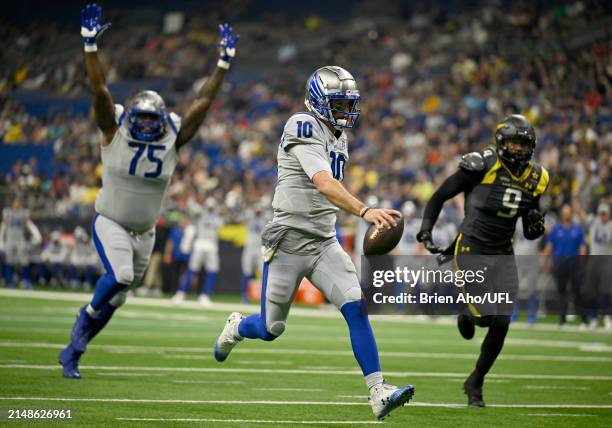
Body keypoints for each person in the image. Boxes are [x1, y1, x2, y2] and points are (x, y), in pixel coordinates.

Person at [213, 66, 414, 420]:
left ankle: (378, 391)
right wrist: (365, 210)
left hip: (324, 242)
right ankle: (236, 327)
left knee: (356, 305)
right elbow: (322, 182)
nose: (345, 112)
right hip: (288, 240)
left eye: (348, 104)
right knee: (271, 328)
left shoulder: (340, 137)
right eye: (338, 104)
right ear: (318, 102)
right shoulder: (301, 125)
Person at [59, 3, 240, 379]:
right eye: (138, 118)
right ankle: (85, 317)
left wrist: (222, 64)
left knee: (121, 295)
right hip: (110, 220)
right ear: (128, 118)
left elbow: (202, 104)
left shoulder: (173, 137)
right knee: (120, 277)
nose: (143, 125)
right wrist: (90, 46)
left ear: (159, 121)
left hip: (145, 232)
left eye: (149, 119)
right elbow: (99, 91)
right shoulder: (113, 130)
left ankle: (74, 351)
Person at [416, 114, 549, 407]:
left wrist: (537, 225)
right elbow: (440, 195)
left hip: (503, 251)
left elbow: (529, 229)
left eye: (522, 144)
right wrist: (426, 228)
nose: (517, 149)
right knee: (485, 317)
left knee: (501, 322)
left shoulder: (538, 178)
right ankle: (466, 312)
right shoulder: (482, 165)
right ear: (501, 142)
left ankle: (476, 380)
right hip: (471, 248)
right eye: (513, 143)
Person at [172, 197, 223, 306]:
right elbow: (192, 208)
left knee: (212, 271)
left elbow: (221, 223)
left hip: (211, 245)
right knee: (192, 270)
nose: (210, 208)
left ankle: (205, 295)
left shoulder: (217, 217)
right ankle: (181, 293)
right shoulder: (201, 213)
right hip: (200, 244)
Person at [543, 204, 588, 327]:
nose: (566, 214)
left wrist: (582, 264)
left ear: (571, 214)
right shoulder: (556, 230)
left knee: (577, 292)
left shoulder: (577, 229)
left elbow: (582, 248)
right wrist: (547, 262)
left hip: (574, 265)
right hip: (560, 265)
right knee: (561, 293)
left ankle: (584, 320)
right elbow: (549, 247)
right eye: (565, 212)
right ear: (562, 214)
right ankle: (562, 320)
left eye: (568, 212)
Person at [0, 197, 40, 288]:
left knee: (24, 261)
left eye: (18, 203)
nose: (17, 204)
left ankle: (26, 281)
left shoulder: (23, 213)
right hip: (10, 239)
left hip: (20, 239)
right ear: (12, 203)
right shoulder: (7, 213)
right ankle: (10, 281)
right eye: (15, 202)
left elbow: (29, 224)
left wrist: (36, 234)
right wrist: (1, 240)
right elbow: (3, 226)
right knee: (9, 261)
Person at [584, 202, 612, 329]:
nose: (603, 216)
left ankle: (607, 316)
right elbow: (580, 213)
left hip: (606, 260)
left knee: (605, 290)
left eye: (605, 214)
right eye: (601, 214)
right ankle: (594, 317)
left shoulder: (611, 226)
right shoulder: (593, 222)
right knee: (592, 291)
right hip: (593, 259)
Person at [240, 202, 269, 303]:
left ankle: (265, 297)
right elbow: (241, 216)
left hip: (260, 248)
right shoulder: (249, 216)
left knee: (264, 272)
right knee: (247, 272)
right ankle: (244, 296)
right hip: (249, 248)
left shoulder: (265, 218)